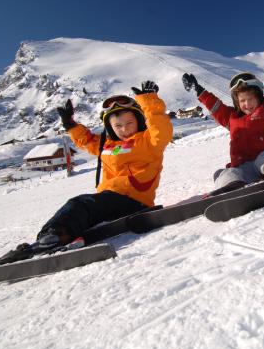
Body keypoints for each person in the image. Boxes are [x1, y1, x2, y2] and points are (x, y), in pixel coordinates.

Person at [36, 80, 173, 247]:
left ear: (139, 120)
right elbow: (87, 140)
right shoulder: (108, 146)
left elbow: (161, 129)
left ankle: (57, 234)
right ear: (110, 127)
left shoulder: (148, 141)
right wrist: (71, 125)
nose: (124, 129)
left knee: (80, 203)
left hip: (133, 200)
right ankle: (52, 235)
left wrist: (149, 101)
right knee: (84, 207)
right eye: (118, 126)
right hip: (110, 199)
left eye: (129, 123)